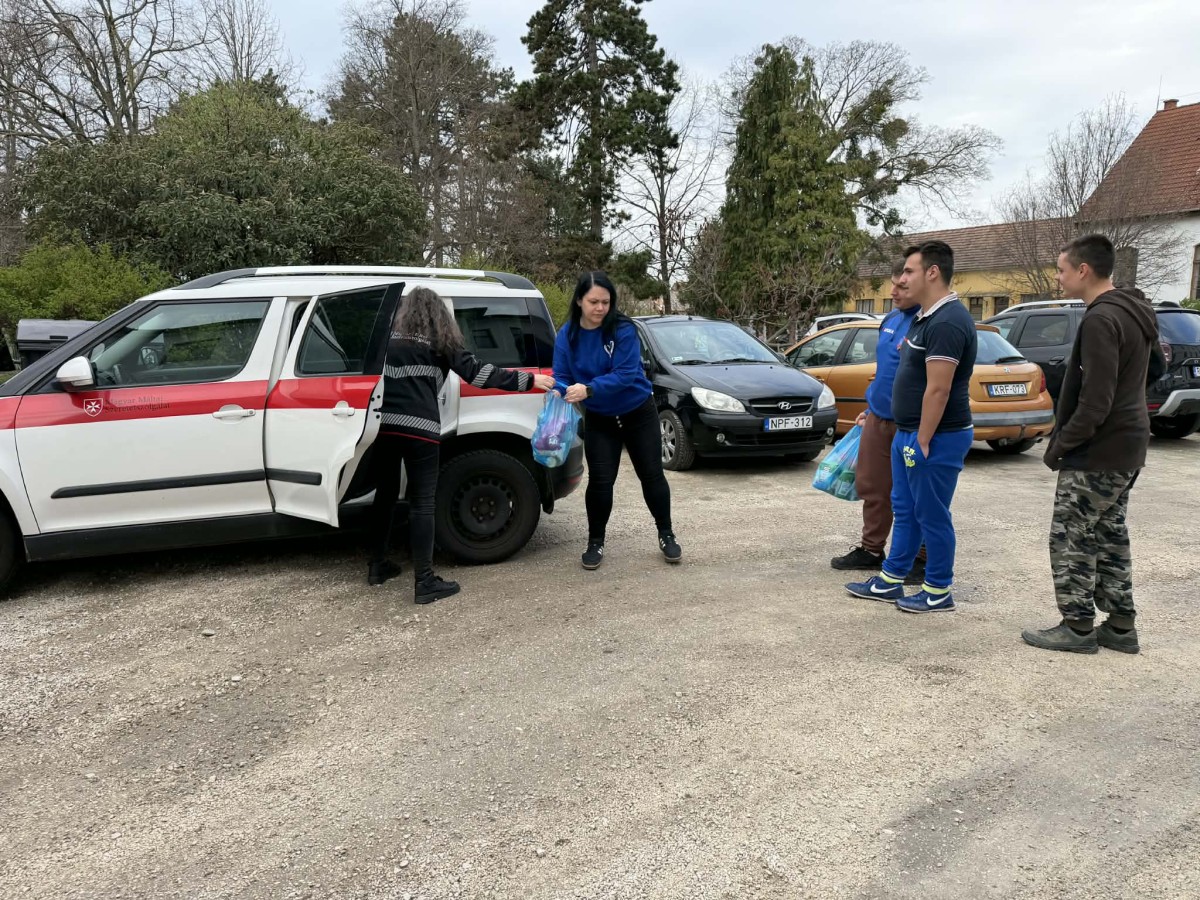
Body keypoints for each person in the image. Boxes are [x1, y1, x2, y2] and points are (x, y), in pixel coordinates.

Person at [368, 287, 555, 603]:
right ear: (439, 314)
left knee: (385, 496)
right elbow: (479, 374)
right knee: (422, 503)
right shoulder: (440, 340)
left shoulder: (389, 340)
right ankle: (424, 581)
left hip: (385, 427)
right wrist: (529, 381)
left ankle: (377, 566)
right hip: (421, 428)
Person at [1021, 235, 1157, 654]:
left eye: (1061, 270)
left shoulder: (1101, 318)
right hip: (1128, 444)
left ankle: (1077, 627)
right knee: (1109, 532)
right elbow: (1157, 368)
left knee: (1071, 534)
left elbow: (1096, 400)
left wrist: (1060, 444)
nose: (1058, 278)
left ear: (1083, 270)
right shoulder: (1134, 311)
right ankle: (1120, 626)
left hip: (1098, 450)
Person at [846, 240, 976, 613]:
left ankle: (938, 589)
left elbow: (939, 389)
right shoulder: (924, 317)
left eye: (908, 271)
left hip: (937, 436)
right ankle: (890, 580)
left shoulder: (948, 321)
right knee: (904, 508)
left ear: (932, 272)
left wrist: (922, 439)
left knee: (931, 513)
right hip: (907, 431)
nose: (901, 279)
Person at [553, 270, 680, 569]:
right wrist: (559, 390)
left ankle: (666, 533)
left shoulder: (623, 328)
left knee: (652, 476)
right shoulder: (567, 335)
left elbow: (625, 374)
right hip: (601, 418)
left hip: (637, 411)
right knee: (600, 482)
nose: (600, 308)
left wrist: (588, 389)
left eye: (606, 302)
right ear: (579, 301)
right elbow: (561, 375)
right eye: (593, 302)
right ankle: (595, 542)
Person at [831, 260, 926, 585]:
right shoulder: (890, 319)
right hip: (878, 419)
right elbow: (885, 370)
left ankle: (921, 558)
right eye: (892, 284)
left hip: (910, 424)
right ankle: (872, 549)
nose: (893, 292)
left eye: (901, 286)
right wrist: (870, 408)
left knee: (915, 495)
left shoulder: (928, 322)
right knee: (873, 487)